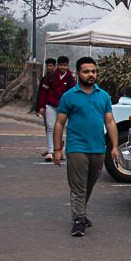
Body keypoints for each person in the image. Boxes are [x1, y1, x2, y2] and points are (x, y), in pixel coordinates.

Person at [52, 57, 118, 237]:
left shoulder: (103, 95)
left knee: (88, 185)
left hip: (98, 149)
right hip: (76, 148)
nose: (91, 75)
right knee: (78, 186)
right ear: (78, 73)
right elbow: (59, 124)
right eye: (86, 71)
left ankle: (81, 213)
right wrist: (57, 149)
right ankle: (78, 219)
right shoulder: (69, 96)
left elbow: (110, 121)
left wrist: (114, 146)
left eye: (93, 71)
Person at [38, 56, 77, 162]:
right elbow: (44, 92)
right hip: (50, 105)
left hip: (65, 108)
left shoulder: (70, 78)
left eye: (64, 65)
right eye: (60, 65)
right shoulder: (50, 77)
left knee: (65, 128)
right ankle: (50, 152)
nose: (62, 67)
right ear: (57, 65)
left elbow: (73, 94)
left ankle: (61, 150)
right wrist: (41, 106)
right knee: (50, 127)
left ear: (67, 66)